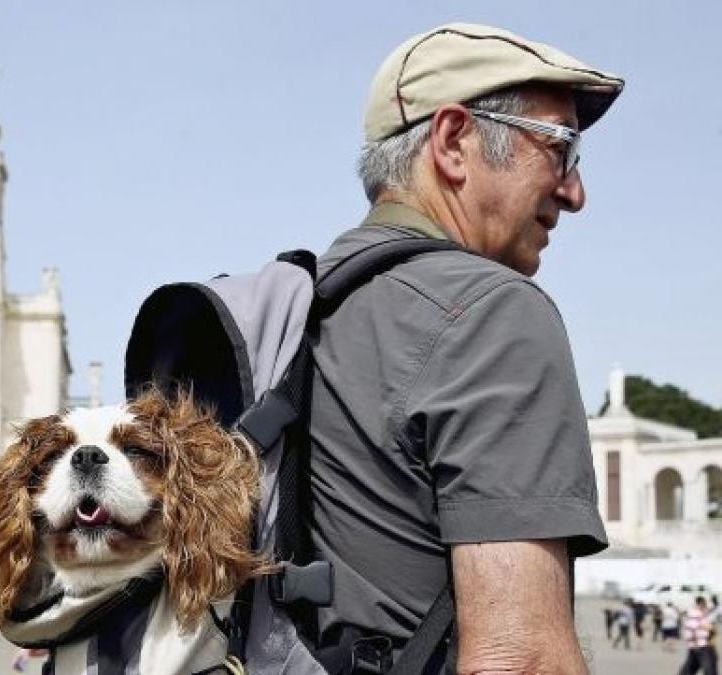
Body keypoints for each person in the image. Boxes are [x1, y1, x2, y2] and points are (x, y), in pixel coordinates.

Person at [307, 22, 624, 671]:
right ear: (453, 142)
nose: (575, 192)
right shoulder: (491, 312)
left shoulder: (293, 309)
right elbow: (521, 657)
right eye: (561, 149)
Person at [679, 596, 718, 675]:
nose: (706, 606)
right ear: (700, 603)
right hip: (700, 645)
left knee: (692, 665)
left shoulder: (700, 613)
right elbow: (693, 629)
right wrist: (696, 643)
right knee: (708, 665)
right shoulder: (694, 614)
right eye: (704, 604)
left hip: (702, 644)